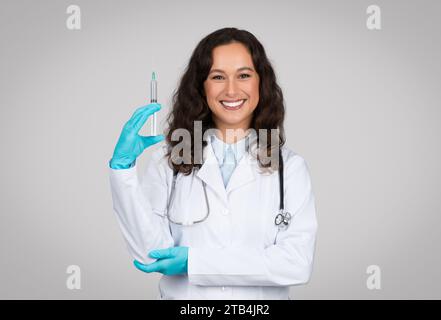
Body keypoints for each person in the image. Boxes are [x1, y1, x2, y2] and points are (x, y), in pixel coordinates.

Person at [109, 27, 318, 300]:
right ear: (201, 86)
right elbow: (150, 253)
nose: (231, 90)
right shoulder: (168, 162)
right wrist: (122, 170)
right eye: (217, 77)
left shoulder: (290, 168)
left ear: (260, 83)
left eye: (243, 75)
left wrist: (195, 263)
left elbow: (296, 264)